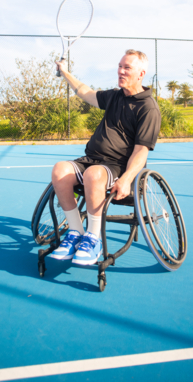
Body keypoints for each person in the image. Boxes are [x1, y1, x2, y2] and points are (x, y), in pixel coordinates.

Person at [50, 49, 161, 266]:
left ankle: (93, 238)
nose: (120, 71)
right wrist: (64, 72)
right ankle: (75, 232)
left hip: (118, 166)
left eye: (127, 67)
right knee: (59, 170)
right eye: (120, 66)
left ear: (141, 73)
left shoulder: (148, 108)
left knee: (93, 174)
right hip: (92, 159)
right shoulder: (114, 96)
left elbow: (141, 151)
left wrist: (127, 179)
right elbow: (83, 91)